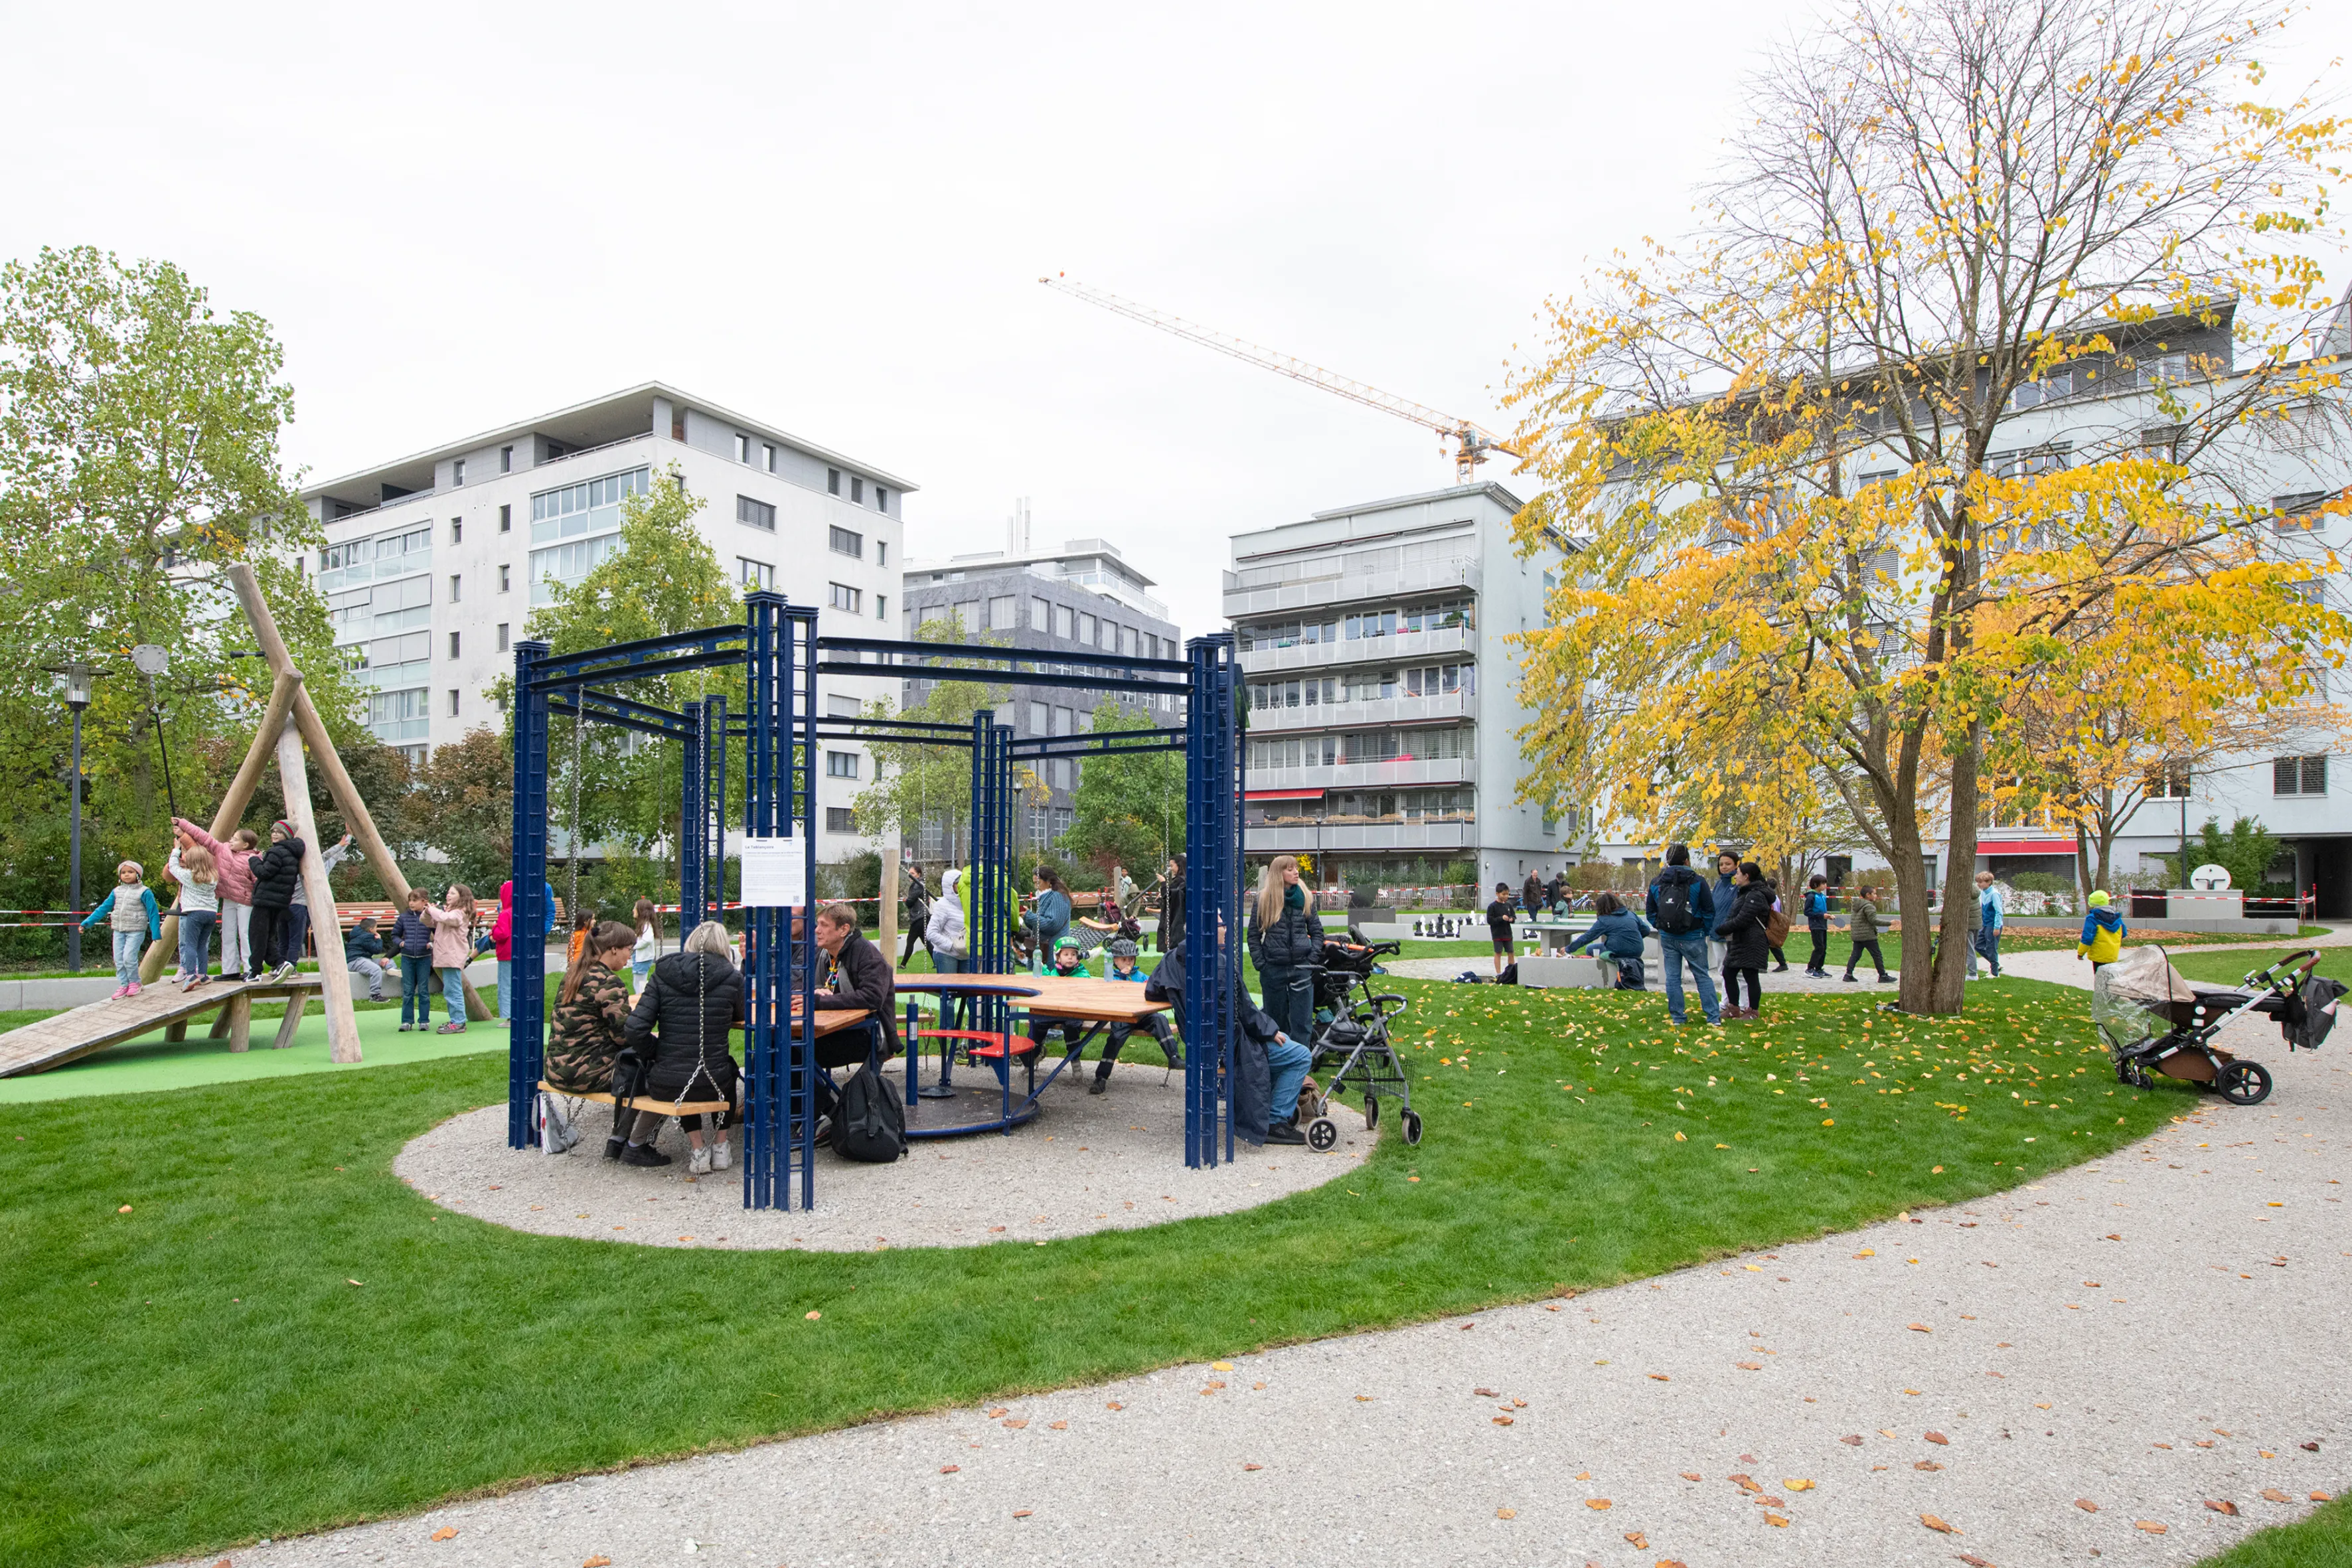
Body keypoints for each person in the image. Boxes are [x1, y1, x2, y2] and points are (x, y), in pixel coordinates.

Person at [1146, 929, 1309, 1144]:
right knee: (1300, 1055)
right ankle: (1274, 1121)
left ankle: (1271, 1105)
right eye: (1222, 924)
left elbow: (1151, 991)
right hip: (1228, 1045)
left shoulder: (1172, 958)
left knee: (1282, 1039)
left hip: (1200, 1042)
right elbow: (1246, 1013)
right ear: (1211, 929)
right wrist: (1270, 1031)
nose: (1226, 931)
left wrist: (1179, 996)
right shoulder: (1220, 964)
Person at [621, 921, 745, 1171]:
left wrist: (656, 1053)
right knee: (727, 1071)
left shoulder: (664, 974)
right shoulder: (732, 977)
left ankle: (698, 1150)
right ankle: (721, 1147)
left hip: (667, 1080)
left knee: (683, 1073)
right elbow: (742, 1014)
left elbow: (634, 1029)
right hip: (713, 1079)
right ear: (723, 945)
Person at [811, 902, 902, 1119]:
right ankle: (826, 1112)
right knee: (778, 1049)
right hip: (833, 1031)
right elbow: (807, 986)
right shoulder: (825, 954)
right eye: (817, 924)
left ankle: (832, 1115)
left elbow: (872, 998)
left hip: (866, 1036)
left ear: (843, 930)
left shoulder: (866, 954)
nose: (817, 929)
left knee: (791, 1054)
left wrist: (822, 1002)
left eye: (824, 925)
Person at [544, 919, 638, 1096]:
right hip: (585, 1076)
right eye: (629, 950)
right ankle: (627, 1125)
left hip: (555, 1070)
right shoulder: (608, 982)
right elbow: (624, 1036)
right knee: (659, 1074)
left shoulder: (573, 976)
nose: (630, 956)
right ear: (614, 949)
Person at [1247, 853, 1324, 1043]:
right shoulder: (1265, 899)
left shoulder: (1305, 897)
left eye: (1296, 868)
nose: (1296, 872)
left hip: (1301, 968)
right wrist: (1261, 964)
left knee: (1303, 1023)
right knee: (1276, 1023)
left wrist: (1311, 960)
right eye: (1290, 869)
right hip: (1273, 969)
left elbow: (1317, 932)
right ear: (1278, 874)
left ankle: (1301, 1066)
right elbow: (1253, 935)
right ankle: (1279, 1066)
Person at [174, 818, 260, 980]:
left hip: (245, 902)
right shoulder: (222, 849)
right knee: (227, 933)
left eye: (235, 839)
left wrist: (259, 899)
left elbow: (258, 881)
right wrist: (183, 824)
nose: (230, 840)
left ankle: (251, 969)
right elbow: (203, 836)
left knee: (245, 933)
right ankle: (230, 970)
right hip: (228, 900)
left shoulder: (253, 859)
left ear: (246, 845)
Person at [1646, 844, 1722, 1026]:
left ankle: (1678, 1018)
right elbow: (1709, 910)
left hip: (1668, 936)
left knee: (1672, 978)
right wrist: (1704, 930)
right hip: (1694, 936)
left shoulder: (1657, 882)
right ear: (1687, 860)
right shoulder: (1697, 881)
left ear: (1667, 861)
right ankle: (1713, 1017)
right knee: (1702, 976)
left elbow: (1650, 911)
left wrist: (1660, 926)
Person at [1094, 937, 1180, 1093]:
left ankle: (1173, 1057)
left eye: (1131, 959)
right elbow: (1107, 994)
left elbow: (1152, 989)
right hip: (1123, 1016)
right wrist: (1121, 978)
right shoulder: (1111, 977)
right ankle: (1101, 1077)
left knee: (1160, 1019)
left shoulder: (1142, 977)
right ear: (1115, 961)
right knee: (1115, 1038)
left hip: (1142, 1015)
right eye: (1124, 960)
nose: (1128, 963)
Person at [82, 860, 161, 1000]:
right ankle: (124, 984)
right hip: (119, 930)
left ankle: (135, 983)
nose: (126, 875)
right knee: (119, 959)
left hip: (135, 930)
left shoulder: (144, 892)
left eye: (130, 872)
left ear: (138, 874)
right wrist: (87, 923)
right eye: (123, 873)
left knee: (129, 958)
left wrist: (156, 932)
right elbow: (103, 908)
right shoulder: (116, 892)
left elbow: (153, 911)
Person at [245, 820, 307, 982]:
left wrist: (254, 860)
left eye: (278, 832)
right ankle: (279, 963)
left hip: (265, 899)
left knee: (257, 935)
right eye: (273, 831)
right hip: (281, 901)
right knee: (268, 936)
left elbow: (264, 873)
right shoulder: (293, 853)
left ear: (286, 835)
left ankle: (255, 972)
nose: (274, 834)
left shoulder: (276, 852)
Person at [1715, 861, 1776, 1020]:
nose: (1736, 876)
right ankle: (1733, 1008)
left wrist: (1723, 928)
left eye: (1738, 873)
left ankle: (1753, 1011)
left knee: (1750, 975)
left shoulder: (1756, 895)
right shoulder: (1745, 892)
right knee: (1728, 973)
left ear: (1747, 876)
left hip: (1752, 941)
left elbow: (1743, 919)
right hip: (1740, 940)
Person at [284, 832, 353, 971]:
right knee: (293, 938)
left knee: (297, 937)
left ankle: (288, 965)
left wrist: (348, 837)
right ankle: (288, 965)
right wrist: (339, 845)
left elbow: (333, 857)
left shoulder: (323, 870)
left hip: (308, 907)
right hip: (296, 906)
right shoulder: (301, 868)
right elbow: (324, 856)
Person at [1026, 933, 1095, 1069]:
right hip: (1056, 1010)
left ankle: (1074, 1059)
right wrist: (1041, 967)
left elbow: (1086, 990)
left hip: (1073, 1011)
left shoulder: (1082, 974)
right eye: (1066, 954)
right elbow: (1048, 981)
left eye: (1073, 955)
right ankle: (1032, 1055)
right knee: (1038, 1023)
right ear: (1058, 957)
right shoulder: (1055, 973)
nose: (1070, 957)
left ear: (1078, 958)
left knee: (1072, 1028)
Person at [1564, 890, 1652, 986]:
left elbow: (1587, 937)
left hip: (1617, 951)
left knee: (1590, 949)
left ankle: (1602, 978)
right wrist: (1633, 938)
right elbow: (1646, 930)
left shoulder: (1605, 920)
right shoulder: (1631, 915)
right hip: (1637, 950)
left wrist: (1568, 949)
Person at [166, 842, 219, 990]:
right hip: (211, 913)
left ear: (190, 862)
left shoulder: (188, 876)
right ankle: (203, 974)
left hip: (195, 913)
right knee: (202, 945)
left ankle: (190, 975)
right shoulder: (213, 876)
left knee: (190, 945)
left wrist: (176, 850)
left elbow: (173, 867)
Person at [427, 884, 475, 1033]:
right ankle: (456, 1020)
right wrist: (427, 911)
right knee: (449, 989)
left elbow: (446, 918)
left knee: (453, 989)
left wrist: (433, 910)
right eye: (448, 893)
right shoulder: (448, 912)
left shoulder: (460, 913)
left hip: (453, 955)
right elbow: (428, 922)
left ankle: (459, 1022)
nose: (448, 895)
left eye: (452, 893)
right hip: (445, 955)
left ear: (462, 897)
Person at [389, 888, 437, 1030]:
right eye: (410, 900)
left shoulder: (429, 917)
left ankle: (424, 1021)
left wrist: (431, 944)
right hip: (407, 958)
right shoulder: (403, 918)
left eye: (415, 901)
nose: (411, 903)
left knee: (423, 990)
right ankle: (407, 1021)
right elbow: (395, 935)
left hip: (424, 958)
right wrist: (401, 943)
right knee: (408, 990)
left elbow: (439, 934)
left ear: (424, 902)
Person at [1842, 884, 1894, 983]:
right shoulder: (1869, 906)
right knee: (1877, 955)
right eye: (1874, 894)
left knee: (1855, 955)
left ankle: (1848, 974)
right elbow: (1873, 920)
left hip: (1857, 935)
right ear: (1868, 895)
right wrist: (1890, 923)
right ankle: (1882, 975)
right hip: (1868, 936)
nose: (1876, 896)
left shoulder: (1856, 906)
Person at [1023, 865, 1073, 955]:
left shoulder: (1058, 897)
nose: (1036, 887)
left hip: (1054, 951)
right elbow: (1039, 927)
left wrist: (1030, 916)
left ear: (1049, 881)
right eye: (1034, 883)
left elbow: (1052, 925)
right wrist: (1026, 917)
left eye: (1038, 883)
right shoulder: (1048, 897)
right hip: (1048, 949)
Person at [2077, 889, 2126, 971]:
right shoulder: (2117, 918)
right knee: (2110, 978)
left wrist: (2081, 953)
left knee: (2099, 977)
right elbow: (2124, 933)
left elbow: (2088, 938)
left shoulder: (2092, 918)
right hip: (2112, 955)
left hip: (2098, 956)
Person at [344, 913, 388, 1002]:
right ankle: (375, 995)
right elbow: (377, 950)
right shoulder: (367, 937)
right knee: (376, 970)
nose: (377, 930)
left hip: (363, 959)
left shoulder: (358, 935)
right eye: (376, 928)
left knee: (388, 960)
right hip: (356, 961)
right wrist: (379, 940)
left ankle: (392, 971)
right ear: (371, 930)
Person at [1709, 850, 1741, 974]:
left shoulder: (1739, 884)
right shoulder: (1719, 884)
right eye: (1721, 864)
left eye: (1728, 864)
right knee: (1722, 969)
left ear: (1736, 865)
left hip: (1732, 933)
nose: (1724, 867)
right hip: (1716, 931)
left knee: (1736, 971)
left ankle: (1741, 994)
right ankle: (1726, 994)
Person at [1974, 870, 2005, 979]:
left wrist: (1997, 927)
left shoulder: (1994, 894)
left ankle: (1995, 973)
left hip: (1993, 924)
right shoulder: (1983, 893)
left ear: (1988, 882)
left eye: (1981, 882)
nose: (1979, 884)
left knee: (1991, 947)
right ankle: (1996, 963)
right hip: (1985, 924)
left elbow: (1998, 911)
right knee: (1978, 945)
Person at [1802, 874, 1832, 978]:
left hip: (1823, 925)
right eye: (1823, 883)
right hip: (1815, 926)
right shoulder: (1811, 896)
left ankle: (1819, 968)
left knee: (1824, 948)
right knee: (1819, 947)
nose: (1825, 886)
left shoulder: (1822, 896)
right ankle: (1810, 968)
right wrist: (1821, 916)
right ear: (1816, 885)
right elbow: (1807, 912)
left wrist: (1828, 916)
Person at [901, 863, 931, 967]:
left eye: (912, 873)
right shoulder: (919, 884)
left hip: (919, 917)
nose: (910, 875)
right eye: (909, 873)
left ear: (918, 874)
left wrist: (907, 902)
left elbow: (911, 900)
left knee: (910, 941)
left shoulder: (918, 884)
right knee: (926, 942)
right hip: (922, 916)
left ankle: (903, 964)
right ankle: (937, 962)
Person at [1484, 882, 1518, 977]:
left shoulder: (1509, 906)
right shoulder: (1492, 906)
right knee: (1498, 952)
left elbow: (1514, 917)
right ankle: (1499, 973)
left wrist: (1512, 919)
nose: (1506, 896)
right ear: (1497, 894)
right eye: (1503, 894)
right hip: (1497, 934)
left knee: (1511, 952)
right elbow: (1490, 920)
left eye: (1507, 894)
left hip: (1508, 933)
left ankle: (1511, 973)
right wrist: (1501, 918)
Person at [1156, 853, 1186, 953]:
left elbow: (1169, 897)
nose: (1170, 869)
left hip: (1176, 920)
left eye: (1172, 866)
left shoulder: (1180, 882)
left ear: (1179, 866)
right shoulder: (1178, 882)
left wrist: (1163, 883)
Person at [631, 897, 661, 990]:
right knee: (639, 983)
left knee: (639, 984)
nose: (633, 910)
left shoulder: (646, 925)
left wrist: (633, 946)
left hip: (643, 959)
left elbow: (647, 940)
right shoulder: (645, 924)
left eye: (635, 908)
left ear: (641, 911)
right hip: (642, 958)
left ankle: (641, 999)